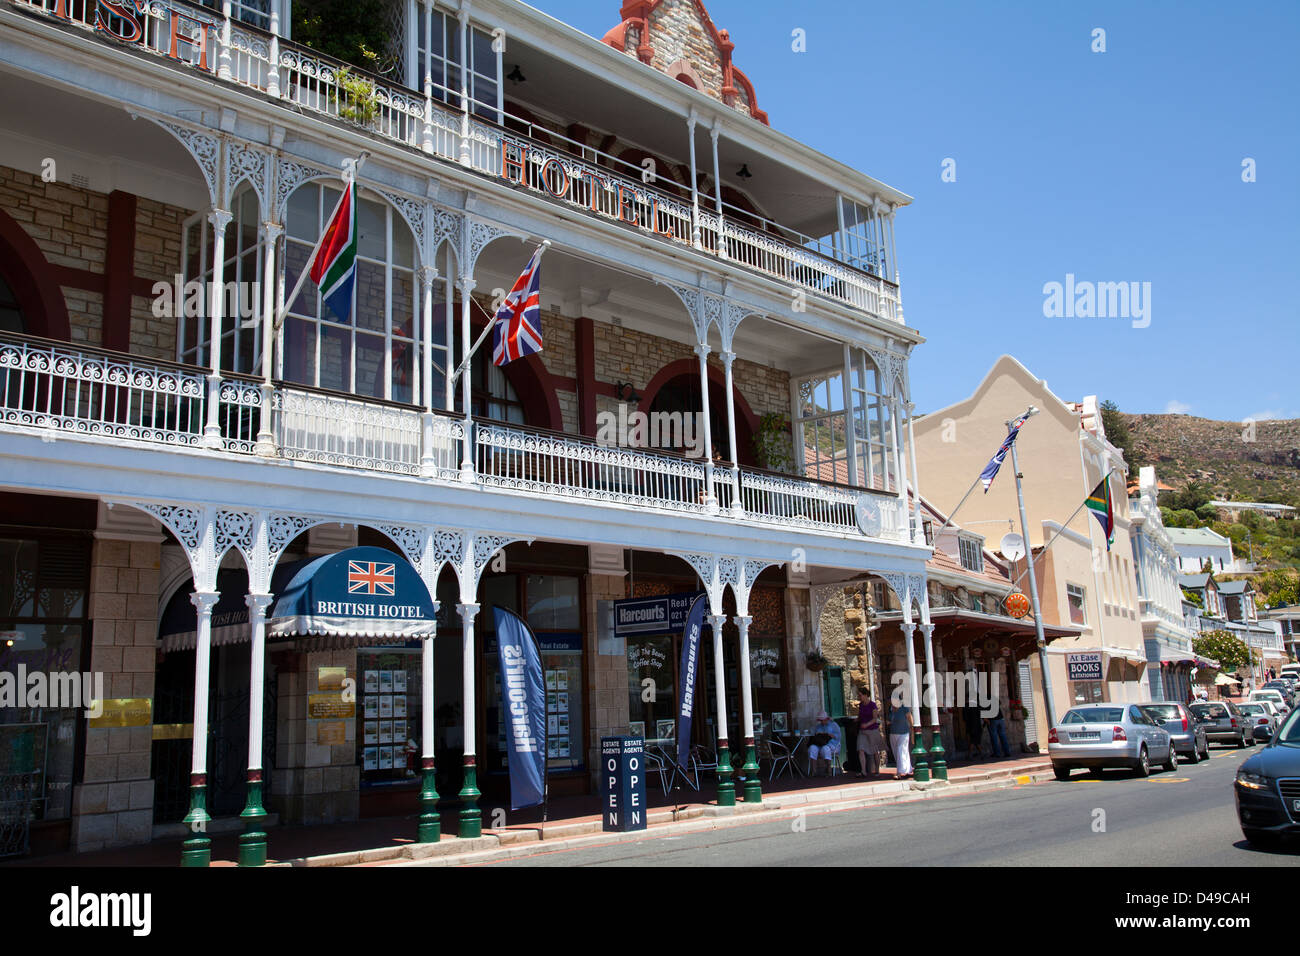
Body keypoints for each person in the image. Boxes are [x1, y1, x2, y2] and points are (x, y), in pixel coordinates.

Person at [855, 688, 882, 777]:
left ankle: (877, 770)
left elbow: (875, 719)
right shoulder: (861, 705)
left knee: (875, 751)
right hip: (862, 731)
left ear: (866, 695)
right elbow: (860, 716)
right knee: (861, 750)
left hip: (872, 730)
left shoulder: (872, 705)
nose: (859, 697)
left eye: (860, 695)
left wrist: (867, 724)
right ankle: (863, 771)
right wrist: (856, 720)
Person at [807, 710, 841, 776]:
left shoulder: (834, 725)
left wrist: (830, 735)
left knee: (825, 749)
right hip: (820, 743)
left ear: (827, 719)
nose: (822, 722)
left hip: (832, 744)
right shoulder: (819, 726)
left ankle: (829, 770)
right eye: (821, 720)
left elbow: (838, 736)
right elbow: (815, 734)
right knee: (812, 748)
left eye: (823, 720)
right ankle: (813, 771)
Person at [887, 699, 913, 779]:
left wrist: (912, 727)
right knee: (897, 752)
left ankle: (899, 772)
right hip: (893, 733)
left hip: (903, 733)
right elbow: (889, 720)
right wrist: (888, 722)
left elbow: (909, 717)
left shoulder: (904, 708)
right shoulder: (890, 709)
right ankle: (908, 769)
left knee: (900, 750)